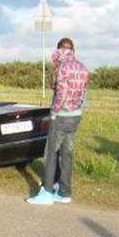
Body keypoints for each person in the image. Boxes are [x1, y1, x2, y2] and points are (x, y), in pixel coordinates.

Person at [27, 37, 88, 205]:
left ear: (59, 51)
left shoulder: (62, 68)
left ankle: (46, 192)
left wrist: (54, 112)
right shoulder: (83, 67)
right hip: (76, 116)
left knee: (51, 154)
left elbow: (61, 93)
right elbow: (84, 95)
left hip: (61, 116)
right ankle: (64, 192)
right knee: (67, 155)